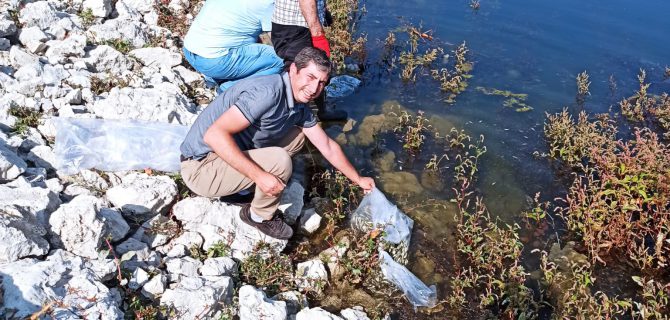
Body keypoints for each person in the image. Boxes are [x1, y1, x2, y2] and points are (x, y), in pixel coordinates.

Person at [179, 47, 374, 240]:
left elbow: (328, 146)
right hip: (201, 168)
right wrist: (260, 175)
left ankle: (243, 188)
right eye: (310, 77)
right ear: (293, 71)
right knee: (280, 160)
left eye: (322, 83)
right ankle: (258, 216)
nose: (315, 89)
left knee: (298, 135)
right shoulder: (267, 93)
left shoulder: (298, 104)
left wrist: (358, 179)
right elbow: (214, 135)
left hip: (223, 158)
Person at [182, 0, 284, 93]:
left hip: (190, 49)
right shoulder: (269, 3)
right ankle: (228, 89)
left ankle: (213, 79)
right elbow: (278, 41)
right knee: (280, 60)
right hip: (214, 61)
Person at [272, 0, 348, 121]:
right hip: (297, 25)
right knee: (298, 72)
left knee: (312, 71)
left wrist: (323, 11)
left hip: (296, 23)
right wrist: (318, 35)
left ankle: (319, 111)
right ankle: (288, 118)